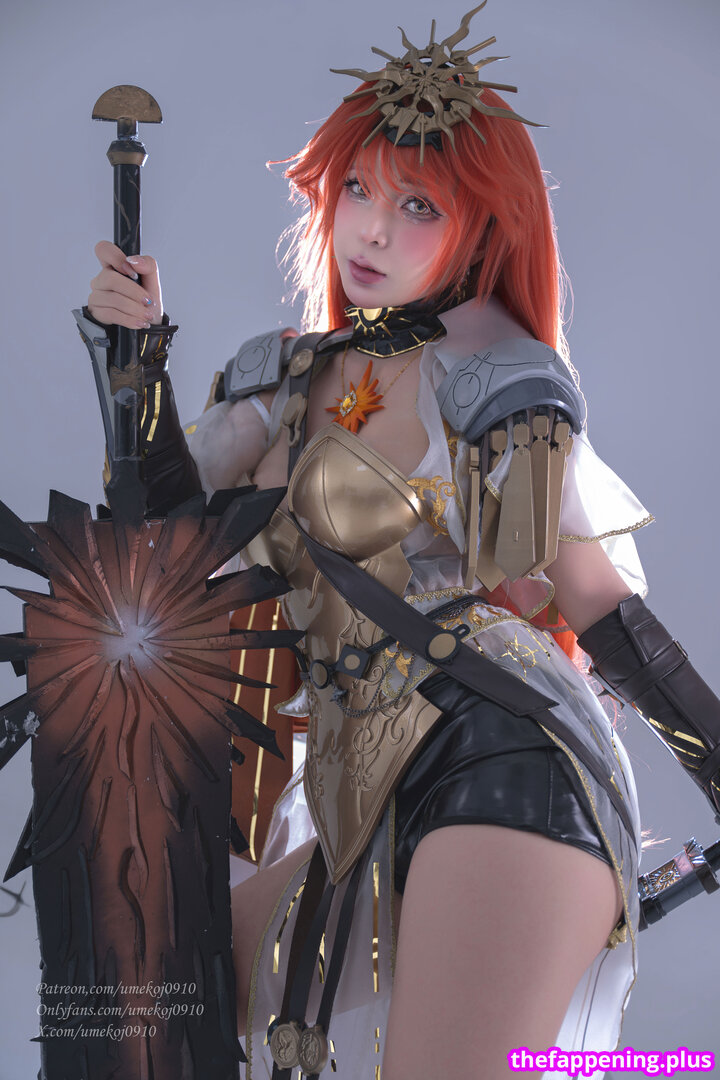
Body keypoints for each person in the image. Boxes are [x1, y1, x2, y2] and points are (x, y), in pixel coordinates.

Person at [78, 8, 720, 1078]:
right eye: (358, 191)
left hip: (502, 755)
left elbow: (597, 602)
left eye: (418, 205)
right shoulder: (282, 376)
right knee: (151, 1012)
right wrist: (132, 367)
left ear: (481, 226)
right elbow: (166, 551)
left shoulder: (500, 378)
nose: (371, 231)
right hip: (355, 778)